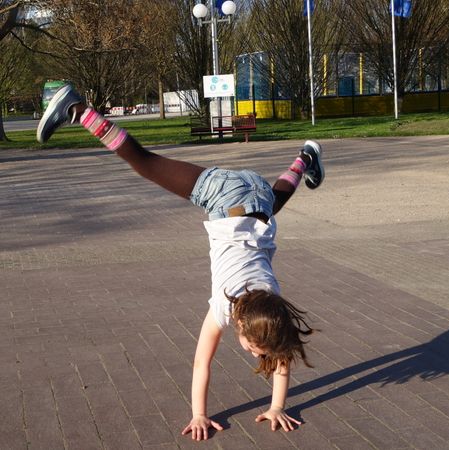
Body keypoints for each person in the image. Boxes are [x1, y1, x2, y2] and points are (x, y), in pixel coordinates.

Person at [37, 85, 325, 440]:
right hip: (224, 196)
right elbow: (201, 363)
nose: (253, 354)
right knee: (145, 162)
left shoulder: (272, 308)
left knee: (273, 203)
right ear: (243, 324)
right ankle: (77, 110)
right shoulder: (224, 307)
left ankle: (306, 157)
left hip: (259, 200)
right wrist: (199, 415)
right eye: (253, 348)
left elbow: (280, 357)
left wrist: (277, 406)